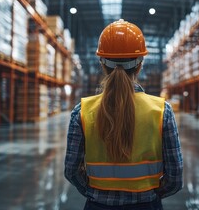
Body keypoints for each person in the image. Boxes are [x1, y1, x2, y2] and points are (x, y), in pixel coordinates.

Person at [64, 19, 183, 210]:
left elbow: (71, 170)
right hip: (147, 205)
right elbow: (175, 176)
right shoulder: (161, 111)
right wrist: (152, 195)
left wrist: (94, 193)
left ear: (102, 63)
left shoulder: (82, 111)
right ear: (140, 64)